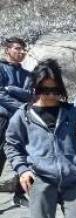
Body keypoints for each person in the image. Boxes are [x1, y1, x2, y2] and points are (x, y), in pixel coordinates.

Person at [5, 59, 76, 218]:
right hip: (41, 179)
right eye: (44, 89)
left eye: (55, 90)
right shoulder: (23, 116)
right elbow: (11, 144)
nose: (50, 95)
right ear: (34, 88)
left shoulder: (71, 112)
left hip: (74, 180)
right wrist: (23, 169)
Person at [0, 36, 32, 207]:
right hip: (3, 118)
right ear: (7, 50)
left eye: (22, 49)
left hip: (21, 120)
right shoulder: (1, 68)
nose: (21, 52)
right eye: (17, 49)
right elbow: (0, 94)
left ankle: (20, 194)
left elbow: (30, 94)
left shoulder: (28, 74)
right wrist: (21, 106)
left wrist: (11, 88)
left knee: (25, 154)